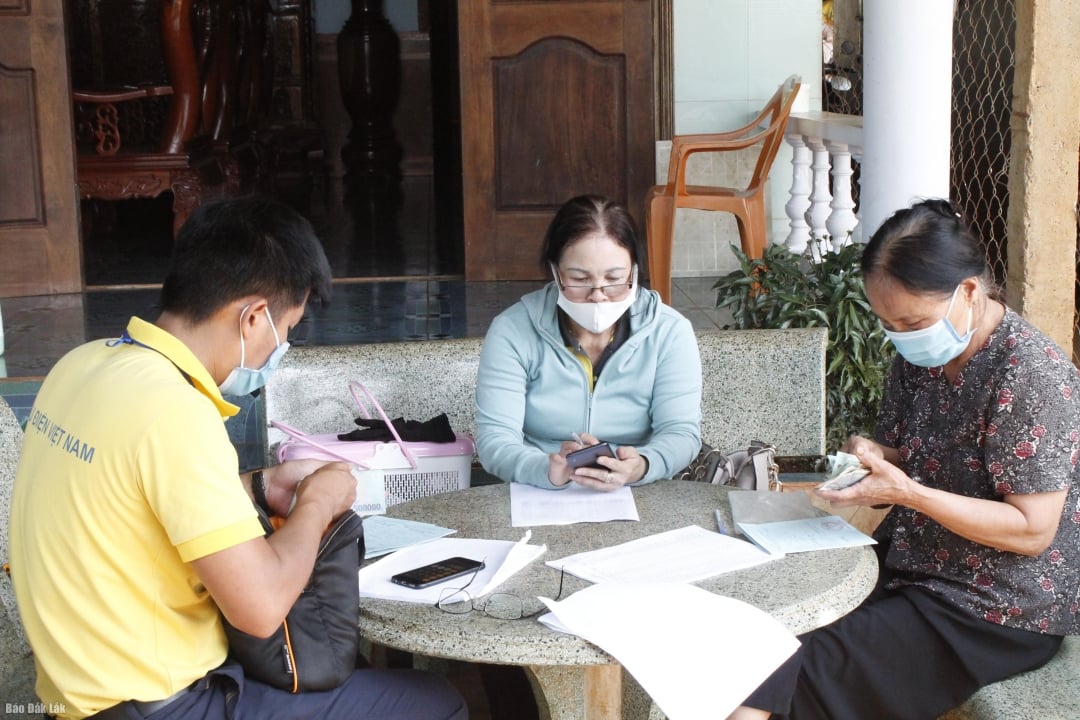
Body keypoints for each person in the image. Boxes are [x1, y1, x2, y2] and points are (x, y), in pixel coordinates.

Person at [9, 198, 467, 720]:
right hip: (159, 705)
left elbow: (129, 497)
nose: (283, 345)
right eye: (287, 328)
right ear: (252, 317)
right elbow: (261, 608)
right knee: (438, 704)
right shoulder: (174, 411)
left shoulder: (82, 364)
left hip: (74, 694)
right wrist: (317, 503)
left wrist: (257, 485)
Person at [730, 198, 1080, 720]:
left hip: (995, 606)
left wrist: (909, 494)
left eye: (913, 320)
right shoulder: (921, 354)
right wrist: (874, 457)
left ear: (969, 291)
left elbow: (1032, 531)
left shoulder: (1030, 375)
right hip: (912, 563)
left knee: (777, 677)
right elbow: (908, 456)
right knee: (760, 636)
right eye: (888, 322)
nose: (903, 335)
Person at [475, 194, 702, 490]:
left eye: (614, 278)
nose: (598, 295)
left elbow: (681, 433)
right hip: (536, 489)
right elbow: (495, 441)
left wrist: (642, 466)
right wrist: (545, 469)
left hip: (639, 490)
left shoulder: (669, 332)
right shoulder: (512, 331)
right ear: (556, 272)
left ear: (634, 271)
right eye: (580, 279)